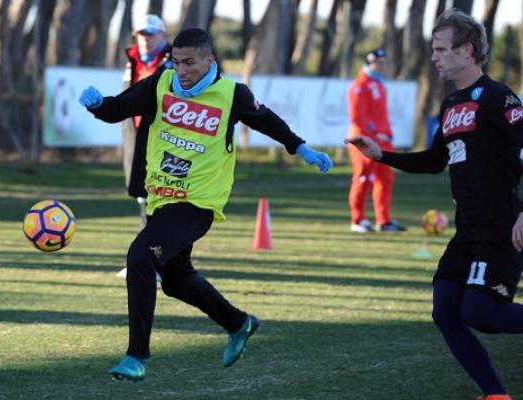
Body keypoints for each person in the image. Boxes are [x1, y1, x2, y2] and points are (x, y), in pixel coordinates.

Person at [79, 27, 333, 382]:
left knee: (140, 256)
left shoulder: (231, 94)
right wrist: (97, 105)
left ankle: (136, 356)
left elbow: (268, 121)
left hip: (198, 203)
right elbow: (120, 108)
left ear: (209, 60)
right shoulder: (161, 84)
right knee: (175, 279)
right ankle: (238, 322)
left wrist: (301, 148)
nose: (182, 70)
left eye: (190, 62)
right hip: (162, 200)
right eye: (177, 62)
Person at [346, 8, 523, 400]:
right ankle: (496, 394)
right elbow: (433, 161)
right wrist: (381, 156)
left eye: (442, 49)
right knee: (445, 311)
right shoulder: (450, 105)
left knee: (480, 315)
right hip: (468, 228)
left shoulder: (498, 97)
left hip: (501, 224)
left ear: (468, 50)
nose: (434, 57)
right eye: (434, 48)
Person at [346, 48, 406, 233]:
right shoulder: (360, 86)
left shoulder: (379, 85)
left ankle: (384, 220)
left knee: (385, 179)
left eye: (384, 63)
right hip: (363, 141)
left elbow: (382, 116)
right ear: (369, 64)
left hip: (382, 141)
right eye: (378, 63)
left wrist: (387, 134)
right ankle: (358, 220)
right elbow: (358, 117)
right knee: (363, 178)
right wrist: (370, 137)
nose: (382, 67)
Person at [122, 14, 173, 231]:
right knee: (140, 189)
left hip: (162, 134)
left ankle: (154, 251)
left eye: (151, 34)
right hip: (134, 129)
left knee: (160, 191)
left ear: (162, 34)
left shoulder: (174, 61)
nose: (146, 38)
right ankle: (147, 248)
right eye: (142, 34)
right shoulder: (132, 60)